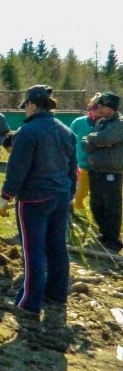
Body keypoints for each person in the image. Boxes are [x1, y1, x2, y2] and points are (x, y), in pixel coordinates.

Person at [0, 85, 77, 316]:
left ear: (31, 104)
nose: (24, 111)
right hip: (61, 197)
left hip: (34, 200)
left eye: (25, 106)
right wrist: (70, 196)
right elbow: (72, 169)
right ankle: (57, 294)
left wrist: (4, 199)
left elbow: (17, 170)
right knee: (57, 247)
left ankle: (29, 302)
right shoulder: (65, 131)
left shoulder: (26, 133)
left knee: (33, 250)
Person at [82, 92, 123, 253]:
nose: (97, 108)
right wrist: (95, 141)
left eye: (100, 106)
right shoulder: (102, 122)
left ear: (109, 107)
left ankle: (113, 240)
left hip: (111, 171)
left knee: (111, 205)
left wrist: (95, 141)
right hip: (96, 169)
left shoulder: (119, 123)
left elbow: (106, 139)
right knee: (96, 204)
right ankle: (104, 235)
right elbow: (86, 142)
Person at [69, 94, 100, 210]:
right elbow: (69, 140)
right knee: (80, 195)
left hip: (102, 166)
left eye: (99, 107)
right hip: (83, 165)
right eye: (94, 107)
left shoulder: (108, 124)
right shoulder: (79, 122)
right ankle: (80, 216)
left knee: (99, 198)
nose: (96, 111)